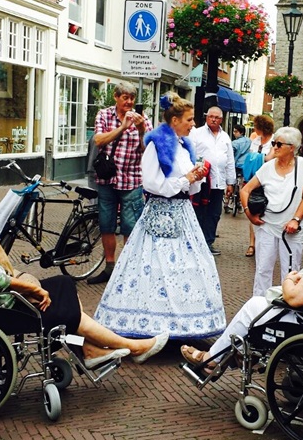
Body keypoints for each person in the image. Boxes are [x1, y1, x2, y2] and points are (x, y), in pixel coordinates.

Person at [0, 189, 168, 368]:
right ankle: (128, 347)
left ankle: (90, 349)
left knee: (63, 285)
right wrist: (34, 290)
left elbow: (7, 270)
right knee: (61, 303)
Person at [180, 195, 303, 366]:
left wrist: (289, 279)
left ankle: (211, 360)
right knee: (264, 304)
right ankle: (233, 353)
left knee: (254, 307)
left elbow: (293, 299)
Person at [93, 93, 226, 339]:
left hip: (183, 214)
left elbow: (187, 184)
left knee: (186, 267)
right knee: (154, 267)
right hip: (161, 213)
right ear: (174, 120)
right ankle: (150, 324)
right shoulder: (157, 144)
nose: (193, 124)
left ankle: (184, 323)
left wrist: (195, 176)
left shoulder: (185, 146)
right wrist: (186, 179)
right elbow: (153, 184)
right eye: (189, 119)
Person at [87, 82, 153, 284]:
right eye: (125, 97)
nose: (129, 102)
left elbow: (148, 151)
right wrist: (122, 127)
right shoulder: (104, 115)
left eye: (132, 98)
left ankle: (128, 270)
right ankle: (109, 267)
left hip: (132, 180)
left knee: (130, 227)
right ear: (116, 97)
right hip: (107, 178)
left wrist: (141, 131)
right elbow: (98, 140)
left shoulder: (144, 120)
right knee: (106, 225)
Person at [241, 127, 303, 297]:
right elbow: (245, 190)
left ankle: (288, 307)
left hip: (292, 229)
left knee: (291, 271)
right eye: (274, 143)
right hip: (266, 226)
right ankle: (258, 307)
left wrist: (296, 219)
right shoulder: (267, 167)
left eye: (279, 144)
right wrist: (249, 214)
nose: (274, 147)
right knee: (263, 269)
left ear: (292, 147)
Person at [190, 106, 236, 255]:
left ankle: (208, 242)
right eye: (211, 116)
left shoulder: (225, 137)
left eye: (216, 117)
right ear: (206, 117)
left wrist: (230, 182)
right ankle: (197, 242)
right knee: (200, 211)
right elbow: (191, 155)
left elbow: (230, 161)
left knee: (215, 213)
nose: (213, 119)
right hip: (202, 181)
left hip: (218, 182)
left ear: (221, 119)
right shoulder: (196, 134)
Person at [241, 114, 275, 257]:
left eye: (256, 126)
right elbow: (249, 158)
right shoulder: (255, 140)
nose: (254, 128)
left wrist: (258, 158)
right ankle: (252, 244)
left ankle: (265, 243)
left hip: (269, 181)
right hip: (254, 180)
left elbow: (269, 159)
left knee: (267, 211)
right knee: (254, 209)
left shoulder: (274, 141)